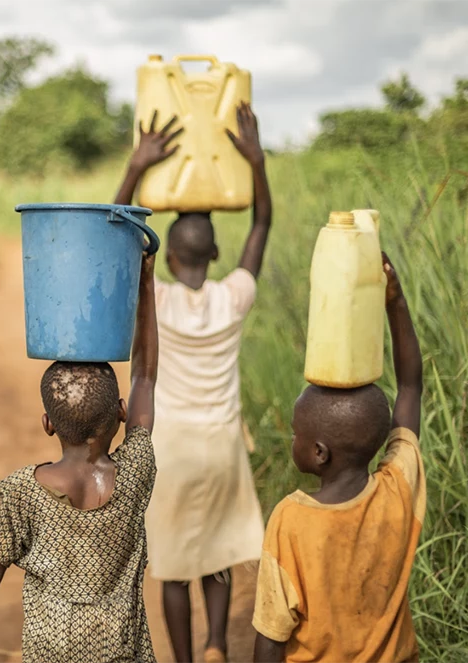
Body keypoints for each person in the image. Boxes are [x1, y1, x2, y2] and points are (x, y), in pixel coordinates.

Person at [0, 251, 161, 663]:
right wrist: (145, 284)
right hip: (123, 652)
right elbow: (145, 376)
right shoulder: (136, 471)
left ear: (47, 423)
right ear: (121, 414)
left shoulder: (24, 494)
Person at [113, 103, 272, 663]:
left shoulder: (155, 298)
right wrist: (255, 161)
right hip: (224, 443)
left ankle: (185, 659)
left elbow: (116, 230)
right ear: (216, 255)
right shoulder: (233, 298)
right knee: (219, 552)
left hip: (172, 446)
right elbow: (261, 225)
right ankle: (214, 646)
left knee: (175, 566)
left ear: (168, 254)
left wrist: (137, 165)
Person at [252, 254, 424, 663]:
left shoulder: (290, 522)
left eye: (297, 432)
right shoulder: (399, 487)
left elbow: (272, 637)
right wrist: (395, 302)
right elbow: (411, 389)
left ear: (319, 453)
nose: (292, 438)